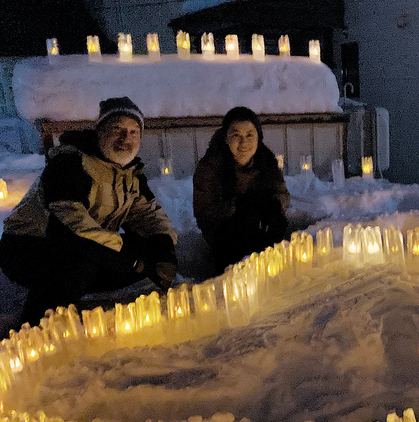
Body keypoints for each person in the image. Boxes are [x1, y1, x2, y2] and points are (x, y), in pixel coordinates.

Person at [0, 96, 178, 329]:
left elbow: (147, 214)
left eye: (134, 132)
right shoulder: (71, 163)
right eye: (118, 129)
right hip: (28, 248)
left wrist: (163, 247)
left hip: (87, 247)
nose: (126, 138)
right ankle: (36, 328)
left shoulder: (130, 173)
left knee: (145, 252)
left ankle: (77, 289)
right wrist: (129, 259)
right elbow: (71, 226)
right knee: (80, 262)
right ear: (100, 131)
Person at [193, 106, 290, 274]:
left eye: (249, 135)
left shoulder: (266, 162)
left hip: (262, 229)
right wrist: (236, 207)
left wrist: (273, 205)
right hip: (227, 238)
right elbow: (203, 212)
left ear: (258, 137)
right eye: (236, 135)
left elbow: (282, 194)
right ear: (226, 138)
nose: (244, 143)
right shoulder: (210, 166)